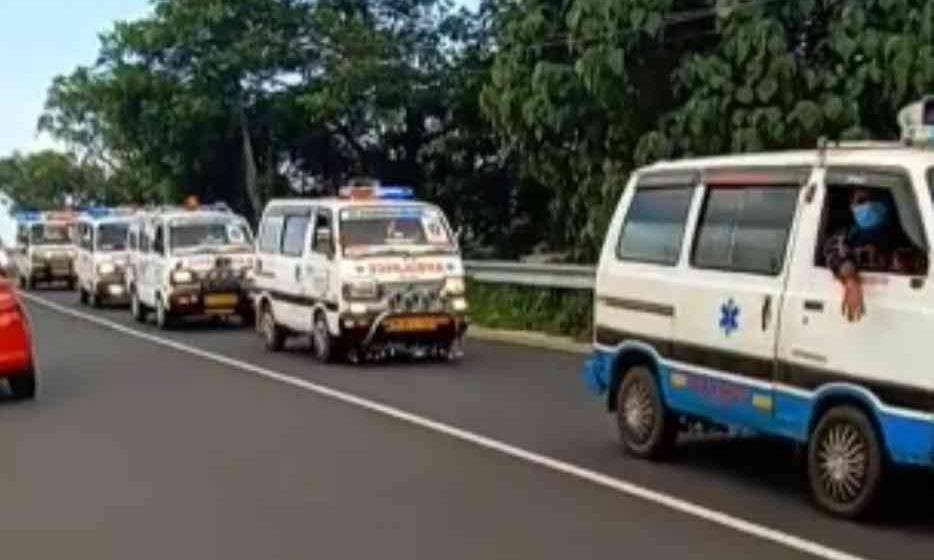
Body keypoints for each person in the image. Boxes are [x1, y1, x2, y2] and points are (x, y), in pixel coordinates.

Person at [823, 188, 926, 322]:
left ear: (886, 203)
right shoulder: (846, 236)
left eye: (875, 199)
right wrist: (851, 279)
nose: (869, 205)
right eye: (861, 201)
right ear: (851, 207)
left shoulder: (908, 236)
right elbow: (835, 252)